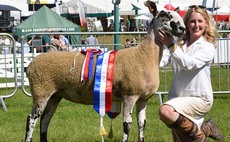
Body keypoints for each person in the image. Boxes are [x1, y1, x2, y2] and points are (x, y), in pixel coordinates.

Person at [158, 5, 224, 141]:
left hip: (199, 99)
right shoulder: (179, 43)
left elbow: (189, 64)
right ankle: (206, 129)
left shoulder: (207, 46)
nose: (196, 25)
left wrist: (171, 45)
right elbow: (160, 62)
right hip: (178, 98)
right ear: (186, 24)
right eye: (192, 21)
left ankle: (199, 136)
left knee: (165, 111)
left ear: (206, 24)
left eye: (200, 21)